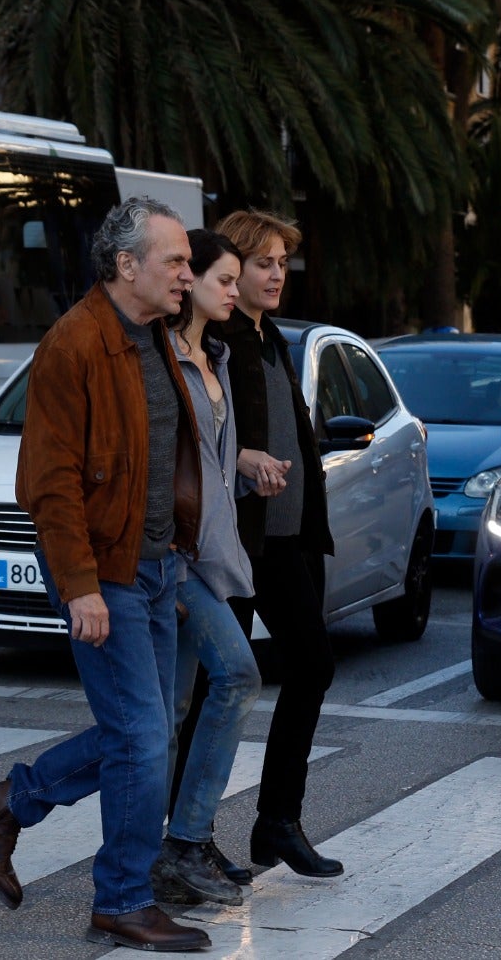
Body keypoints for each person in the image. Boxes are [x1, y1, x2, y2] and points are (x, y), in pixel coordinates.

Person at [0, 197, 212, 953]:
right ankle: (122, 898)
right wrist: (81, 585)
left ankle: (7, 802)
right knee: (142, 736)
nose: (186, 275)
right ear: (125, 265)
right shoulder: (73, 346)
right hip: (109, 571)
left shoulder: (154, 334)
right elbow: (49, 480)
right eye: (174, 262)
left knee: (146, 733)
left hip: (158, 564)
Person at [181, 207, 344, 878]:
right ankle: (191, 836)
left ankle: (273, 820)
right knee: (222, 686)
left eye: (283, 263)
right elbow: (206, 439)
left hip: (284, 539)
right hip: (242, 545)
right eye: (262, 264)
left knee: (296, 669)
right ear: (229, 268)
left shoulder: (268, 335)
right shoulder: (222, 342)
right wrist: (245, 456)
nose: (277, 274)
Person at [153, 230, 263, 908]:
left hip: (213, 555)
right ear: (189, 281)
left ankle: (169, 850)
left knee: (168, 712)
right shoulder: (163, 360)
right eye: (223, 278)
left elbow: (210, 466)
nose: (232, 288)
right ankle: (185, 839)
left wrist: (248, 471)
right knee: (238, 674)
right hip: (176, 555)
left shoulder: (213, 357)